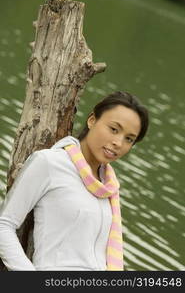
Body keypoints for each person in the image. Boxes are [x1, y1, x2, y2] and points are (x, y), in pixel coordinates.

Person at [0, 91, 149, 271]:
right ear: (92, 120)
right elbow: (4, 225)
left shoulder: (109, 188)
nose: (118, 142)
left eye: (129, 139)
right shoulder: (50, 163)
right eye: (114, 129)